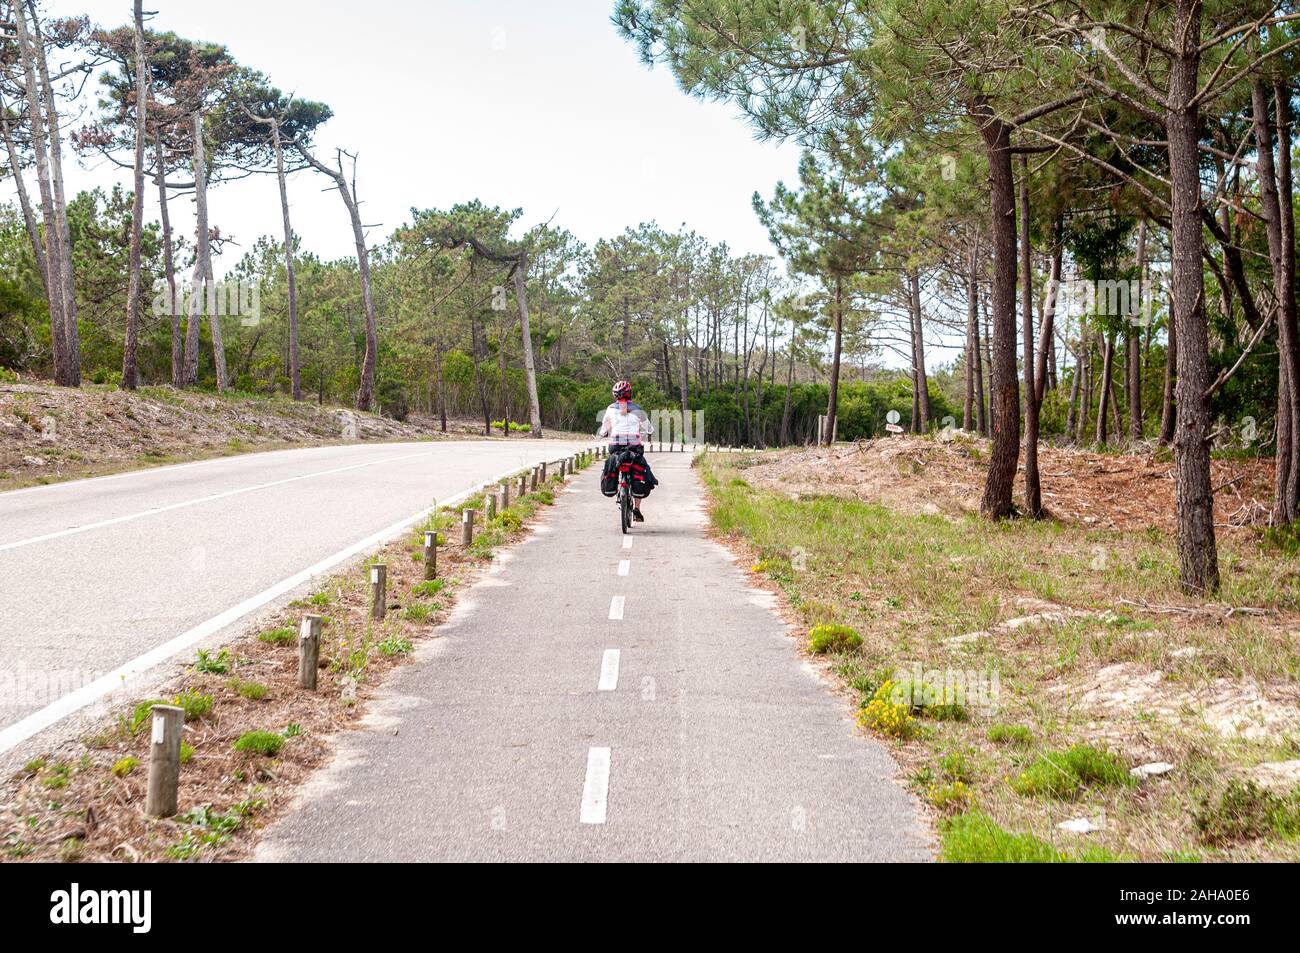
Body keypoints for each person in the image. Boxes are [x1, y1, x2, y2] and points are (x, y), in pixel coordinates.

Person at [597, 380, 657, 520]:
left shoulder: (610, 409)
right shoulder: (637, 409)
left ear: (615, 396)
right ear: (630, 394)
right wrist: (649, 431)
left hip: (615, 446)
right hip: (634, 446)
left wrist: (603, 434)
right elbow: (649, 428)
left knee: (615, 462)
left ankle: (617, 485)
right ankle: (637, 508)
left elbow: (604, 428)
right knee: (639, 468)